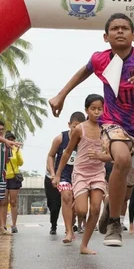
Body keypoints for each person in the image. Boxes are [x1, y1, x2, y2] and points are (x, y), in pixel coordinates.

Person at [49, 13, 134, 247]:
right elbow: (83, 72)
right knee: (121, 160)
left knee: (127, 187)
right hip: (113, 123)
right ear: (105, 36)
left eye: (124, 28)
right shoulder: (100, 59)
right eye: (114, 28)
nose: (119, 31)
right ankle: (114, 223)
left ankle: (111, 206)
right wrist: (61, 94)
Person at [53, 94, 106, 255]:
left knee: (96, 208)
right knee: (82, 211)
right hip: (81, 173)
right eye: (93, 109)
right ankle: (76, 206)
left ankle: (84, 245)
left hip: (98, 173)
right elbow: (67, 152)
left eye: (100, 109)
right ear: (87, 110)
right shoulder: (79, 129)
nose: (97, 112)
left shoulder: (106, 129)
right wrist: (57, 174)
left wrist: (100, 156)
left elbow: (112, 155)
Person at [47, 111, 85, 242]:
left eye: (80, 127)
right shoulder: (60, 138)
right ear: (69, 125)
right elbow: (51, 155)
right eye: (74, 126)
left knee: (79, 207)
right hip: (63, 174)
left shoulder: (85, 140)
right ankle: (68, 232)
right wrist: (53, 174)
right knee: (66, 196)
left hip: (80, 174)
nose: (76, 129)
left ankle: (72, 223)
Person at [2, 131, 24, 234]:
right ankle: (3, 225)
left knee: (13, 202)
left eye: (12, 139)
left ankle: (14, 225)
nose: (11, 140)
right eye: (8, 139)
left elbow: (20, 163)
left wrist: (18, 151)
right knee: (3, 202)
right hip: (3, 176)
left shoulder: (16, 149)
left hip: (14, 178)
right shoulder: (2, 149)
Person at [44, 160, 61, 235]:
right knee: (51, 203)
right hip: (50, 178)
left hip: (63, 177)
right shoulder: (52, 152)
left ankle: (54, 226)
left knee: (57, 203)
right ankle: (53, 224)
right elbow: (48, 166)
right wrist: (53, 175)